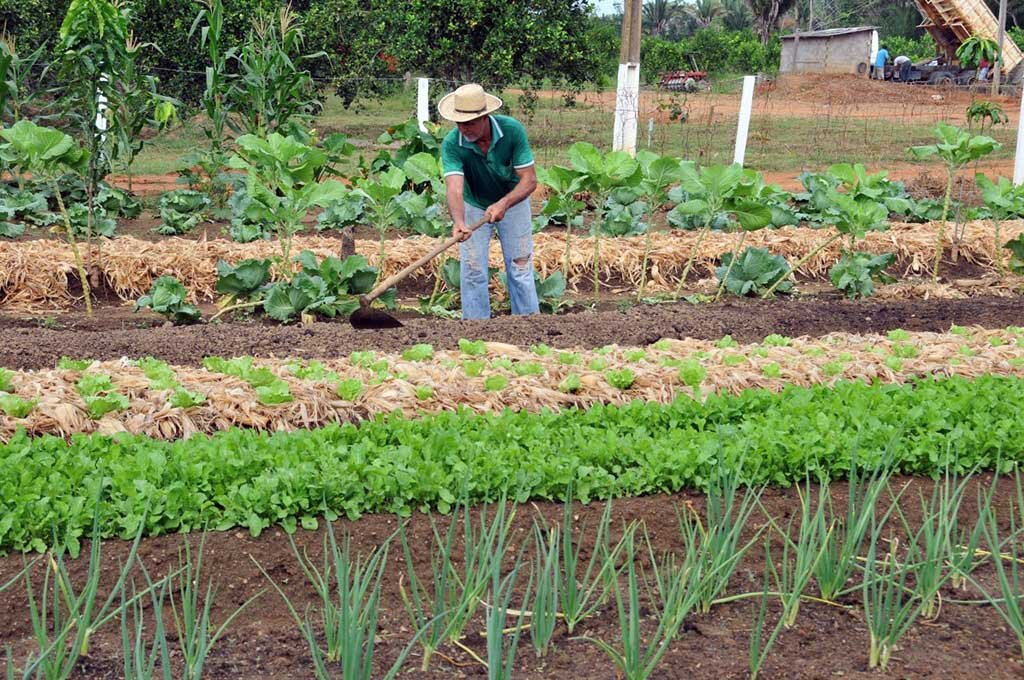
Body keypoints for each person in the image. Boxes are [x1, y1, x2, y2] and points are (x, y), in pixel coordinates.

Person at [438, 83, 540, 320]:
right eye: (459, 123)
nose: (464, 129)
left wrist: (503, 204)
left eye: (470, 123)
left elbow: (530, 180)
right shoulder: (452, 143)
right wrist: (459, 221)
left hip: (513, 200)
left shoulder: (512, 131)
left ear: (485, 117)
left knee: (520, 266)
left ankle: (529, 324)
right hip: (474, 203)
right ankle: (475, 328)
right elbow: (454, 187)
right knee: (472, 269)